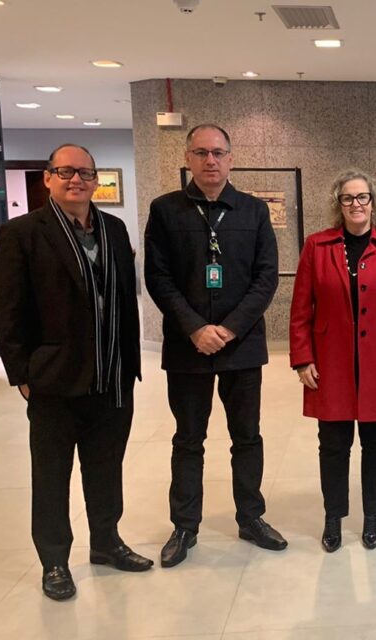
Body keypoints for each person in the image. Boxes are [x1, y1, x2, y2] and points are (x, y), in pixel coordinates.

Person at [0, 143, 151, 601]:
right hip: (54, 381)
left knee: (106, 467)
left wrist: (129, 363)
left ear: (96, 180)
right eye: (65, 172)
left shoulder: (114, 229)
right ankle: (55, 561)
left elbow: (124, 299)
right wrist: (22, 373)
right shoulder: (23, 233)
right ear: (48, 179)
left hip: (112, 377)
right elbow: (7, 309)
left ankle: (107, 542)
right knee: (51, 475)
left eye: (84, 172)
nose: (76, 179)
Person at [144, 123, 286, 567]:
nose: (211, 161)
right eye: (201, 152)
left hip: (241, 346)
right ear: (187, 158)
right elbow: (158, 277)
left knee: (247, 436)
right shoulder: (165, 210)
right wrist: (195, 328)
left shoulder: (253, 210)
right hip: (188, 347)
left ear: (231, 158)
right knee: (189, 439)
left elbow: (266, 277)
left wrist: (229, 328)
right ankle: (185, 526)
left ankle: (251, 517)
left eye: (218, 153)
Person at [289, 169, 376, 552]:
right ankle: (333, 518)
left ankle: (372, 517)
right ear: (339, 204)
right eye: (347, 198)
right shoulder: (316, 247)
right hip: (330, 362)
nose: (356, 204)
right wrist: (302, 358)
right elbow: (301, 309)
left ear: (373, 202)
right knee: (333, 444)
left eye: (362, 197)